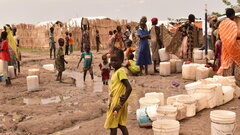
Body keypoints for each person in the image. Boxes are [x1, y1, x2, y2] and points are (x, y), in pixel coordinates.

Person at [104, 47, 132, 135]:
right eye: (111, 60)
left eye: (115, 61)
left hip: (117, 103)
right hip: (116, 101)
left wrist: (120, 105)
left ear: (121, 61)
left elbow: (129, 88)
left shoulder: (120, 72)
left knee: (113, 126)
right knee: (120, 124)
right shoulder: (115, 72)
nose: (113, 63)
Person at [218, 8, 240, 87]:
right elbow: (235, 36)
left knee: (227, 66)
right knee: (237, 65)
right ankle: (237, 86)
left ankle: (227, 85)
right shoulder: (232, 24)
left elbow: (219, 36)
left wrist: (227, 41)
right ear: (233, 15)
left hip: (225, 48)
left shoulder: (222, 23)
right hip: (234, 48)